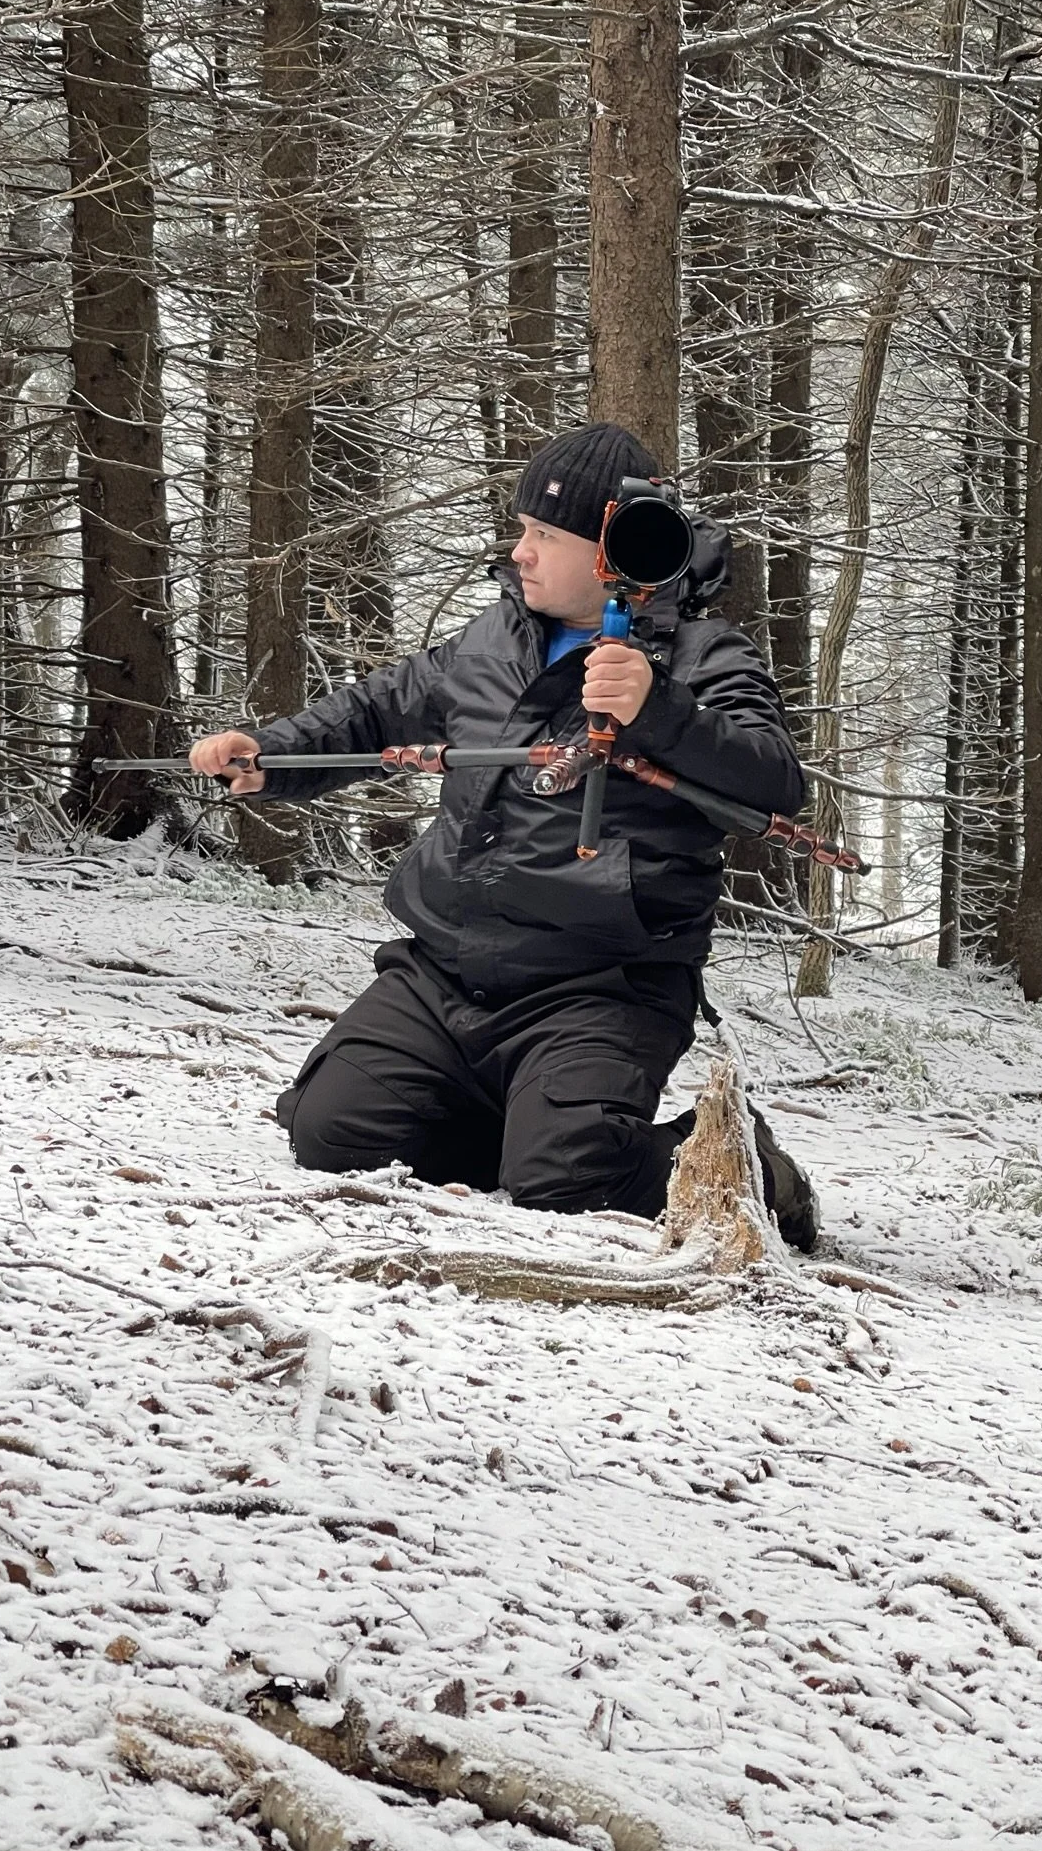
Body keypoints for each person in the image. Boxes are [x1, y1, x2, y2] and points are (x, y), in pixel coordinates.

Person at [190, 421, 819, 1248]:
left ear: (608, 550)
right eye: (522, 530)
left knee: (573, 1181)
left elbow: (775, 781)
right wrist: (273, 755)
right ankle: (527, 1128)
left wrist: (658, 710)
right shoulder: (495, 637)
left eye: (543, 535)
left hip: (602, 986)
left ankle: (752, 1170)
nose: (520, 552)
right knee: (331, 1134)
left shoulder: (701, 656)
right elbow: (380, 710)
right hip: (444, 969)